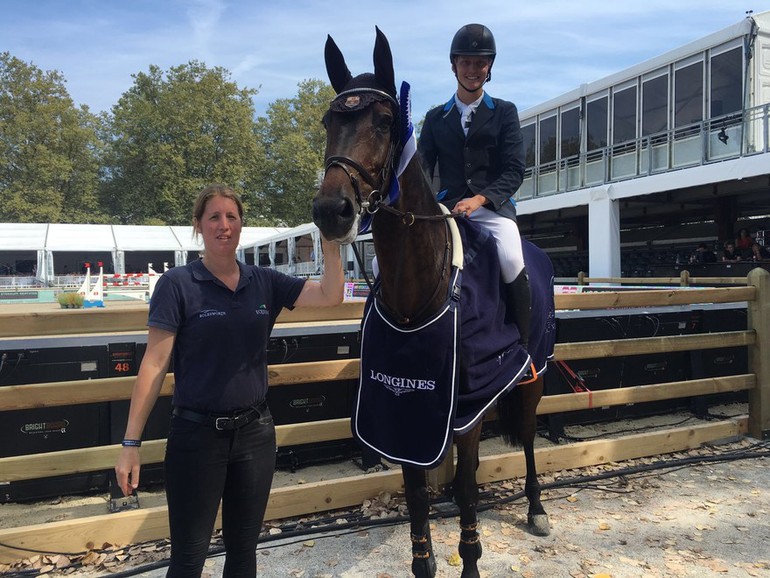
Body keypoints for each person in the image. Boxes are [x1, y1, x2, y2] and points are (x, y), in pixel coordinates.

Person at [114, 184, 344, 577]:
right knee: (189, 557)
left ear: (241, 225)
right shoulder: (177, 285)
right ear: (198, 227)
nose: (224, 225)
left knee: (243, 552)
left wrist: (331, 241)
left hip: (255, 434)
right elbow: (153, 365)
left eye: (232, 217)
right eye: (214, 217)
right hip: (196, 436)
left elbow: (331, 295)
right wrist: (130, 444)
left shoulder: (264, 281)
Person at [418, 23, 531, 346]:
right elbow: (424, 169)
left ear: (489, 66)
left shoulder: (505, 113)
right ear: (454, 65)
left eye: (480, 62)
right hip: (446, 209)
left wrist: (480, 199)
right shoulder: (435, 118)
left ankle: (524, 348)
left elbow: (514, 170)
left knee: (511, 258)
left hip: (491, 209)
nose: (473, 69)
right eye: (466, 62)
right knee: (381, 262)